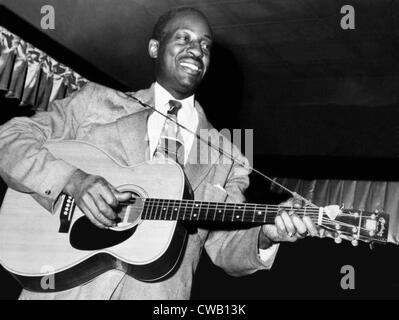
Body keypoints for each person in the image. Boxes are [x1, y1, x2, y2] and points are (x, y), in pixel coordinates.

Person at [0, 7, 317, 299]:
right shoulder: (95, 103)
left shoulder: (229, 156)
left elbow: (223, 246)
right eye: (184, 38)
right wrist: (73, 180)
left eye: (205, 45)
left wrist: (266, 235)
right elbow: (9, 139)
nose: (196, 50)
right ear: (155, 47)